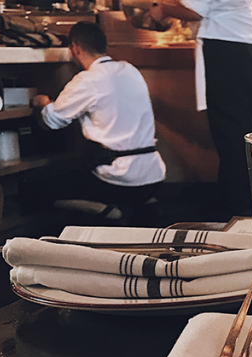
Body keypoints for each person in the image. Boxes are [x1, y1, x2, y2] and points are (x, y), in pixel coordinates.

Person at [30, 21, 166, 223]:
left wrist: (42, 103)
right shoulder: (130, 70)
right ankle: (144, 204)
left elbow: (51, 122)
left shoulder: (88, 79)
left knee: (36, 189)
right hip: (154, 177)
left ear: (75, 48)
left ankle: (106, 210)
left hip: (118, 180)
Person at [149, 0, 252, 219]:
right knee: (238, 132)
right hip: (247, 48)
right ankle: (229, 199)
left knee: (229, 134)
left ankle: (238, 206)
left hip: (226, 50)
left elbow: (195, 11)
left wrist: (163, 9)